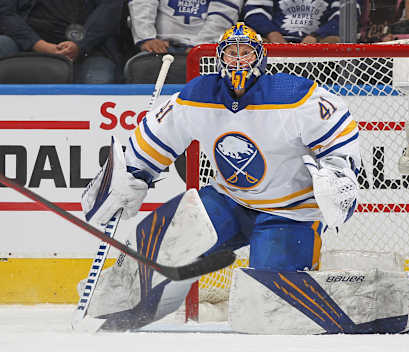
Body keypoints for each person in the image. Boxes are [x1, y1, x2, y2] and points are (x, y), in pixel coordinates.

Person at [80, 22, 361, 331]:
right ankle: (125, 304)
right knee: (157, 237)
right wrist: (132, 174)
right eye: (231, 53)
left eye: (245, 53)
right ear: (219, 58)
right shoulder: (200, 94)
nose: (238, 60)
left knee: (271, 308)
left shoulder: (294, 95)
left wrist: (338, 174)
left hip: (290, 212)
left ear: (260, 58)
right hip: (228, 200)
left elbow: (338, 132)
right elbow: (157, 136)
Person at [0, 0, 124, 83]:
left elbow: (110, 10)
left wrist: (79, 45)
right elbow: (6, 14)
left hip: (90, 48)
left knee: (99, 83)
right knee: (3, 44)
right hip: (28, 43)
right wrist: (39, 44)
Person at [127, 0, 244, 83]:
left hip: (206, 50)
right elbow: (142, 3)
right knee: (142, 68)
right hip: (161, 45)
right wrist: (146, 37)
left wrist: (199, 47)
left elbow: (222, 16)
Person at [243, 0, 361, 43]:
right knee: (250, 40)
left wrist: (317, 36)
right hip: (275, 42)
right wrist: (271, 33)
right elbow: (254, 12)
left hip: (319, 44)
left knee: (335, 40)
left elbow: (348, 15)